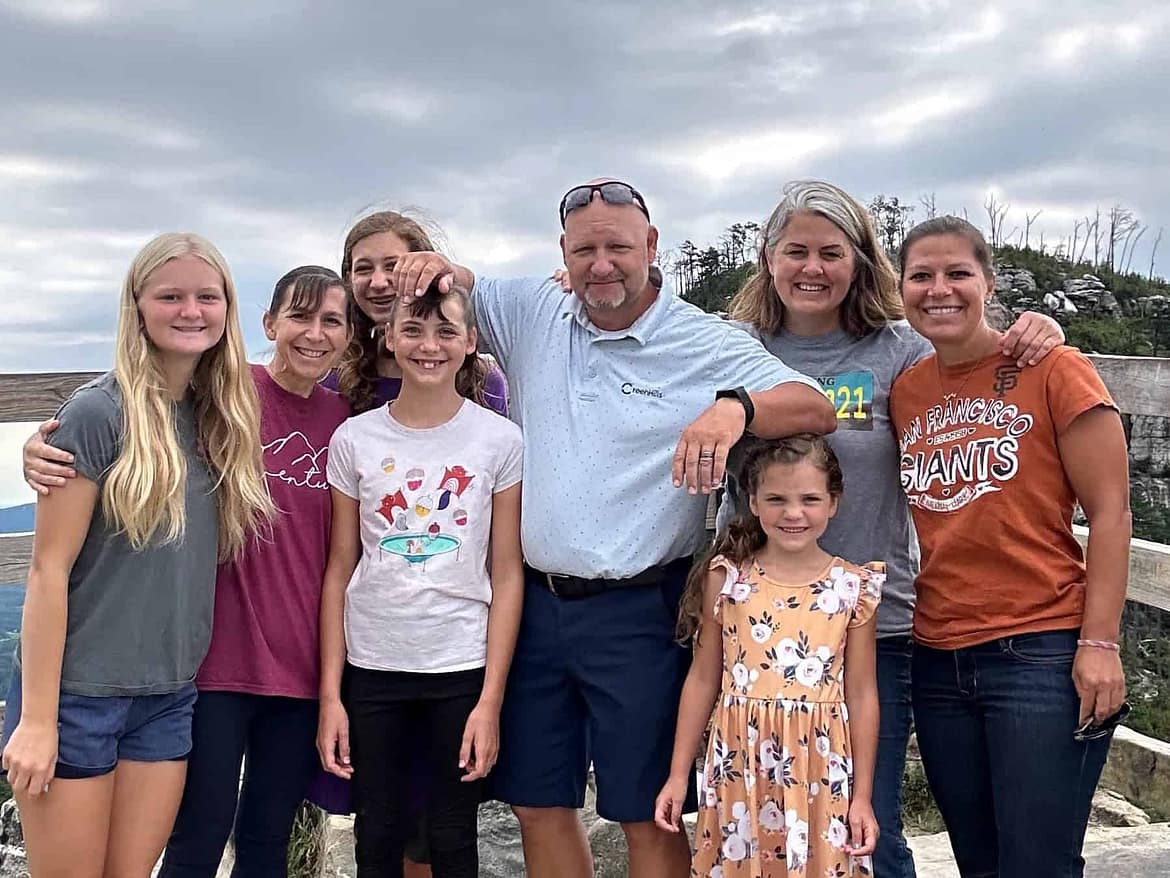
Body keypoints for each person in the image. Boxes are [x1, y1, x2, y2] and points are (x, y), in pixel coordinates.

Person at [385, 178, 837, 878]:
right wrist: (431, 266)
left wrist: (735, 408)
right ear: (563, 253)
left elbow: (816, 406)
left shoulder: (702, 339)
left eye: (618, 249)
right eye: (584, 251)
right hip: (534, 607)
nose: (601, 266)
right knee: (536, 801)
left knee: (646, 808)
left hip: (640, 611)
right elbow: (460, 288)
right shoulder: (534, 308)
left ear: (651, 246)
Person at [718, 180, 1065, 877]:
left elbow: (972, 368)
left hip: (874, 624)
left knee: (864, 826)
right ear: (768, 258)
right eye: (796, 251)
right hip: (755, 622)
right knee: (763, 817)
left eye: (831, 253)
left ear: (859, 261)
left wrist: (1040, 334)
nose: (812, 268)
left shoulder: (899, 349)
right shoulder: (728, 346)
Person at [1, 233, 272, 878]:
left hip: (168, 697)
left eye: (208, 297)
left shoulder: (222, 417)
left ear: (228, 308)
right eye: (170, 296)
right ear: (138, 306)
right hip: (77, 697)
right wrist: (37, 720)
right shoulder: (98, 413)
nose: (191, 311)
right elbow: (47, 571)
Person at [889, 216, 1130, 877]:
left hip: (1040, 651)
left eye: (958, 273)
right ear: (901, 289)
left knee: (1037, 864)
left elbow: (1111, 513)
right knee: (980, 863)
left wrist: (1100, 644)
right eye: (921, 276)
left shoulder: (1054, 369)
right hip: (937, 656)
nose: (939, 289)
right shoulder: (907, 390)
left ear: (989, 284)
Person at [316, 281, 524, 877]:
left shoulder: (499, 439)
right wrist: (331, 696)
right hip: (372, 664)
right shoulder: (354, 439)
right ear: (388, 336)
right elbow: (340, 566)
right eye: (412, 330)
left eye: (445, 331)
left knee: (452, 832)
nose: (429, 346)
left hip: (460, 665)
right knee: (377, 828)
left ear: (471, 341)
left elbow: (506, 572)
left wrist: (490, 700)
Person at [656, 435, 881, 876]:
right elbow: (703, 679)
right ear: (754, 502)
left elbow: (862, 694)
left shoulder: (853, 588)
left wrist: (862, 797)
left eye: (810, 499)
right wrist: (679, 775)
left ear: (833, 503)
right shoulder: (726, 579)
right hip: (739, 770)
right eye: (777, 499)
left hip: (820, 776)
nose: (793, 513)